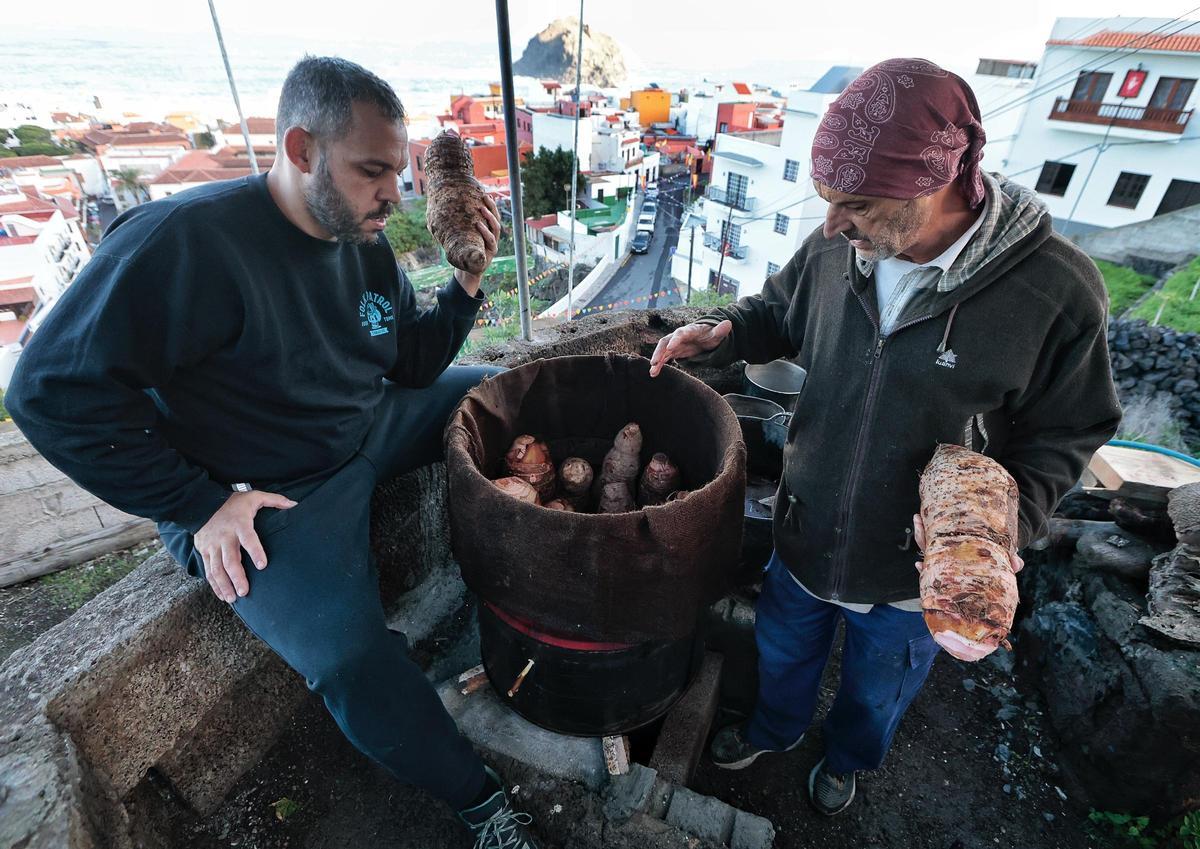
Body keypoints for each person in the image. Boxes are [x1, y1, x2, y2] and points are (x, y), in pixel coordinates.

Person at [7, 56, 540, 849]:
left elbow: (410, 363)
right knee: (350, 657)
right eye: (371, 171)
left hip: (367, 423)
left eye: (396, 172)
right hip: (265, 492)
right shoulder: (183, 244)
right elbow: (46, 391)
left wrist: (464, 291)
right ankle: (480, 801)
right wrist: (198, 505)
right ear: (300, 149)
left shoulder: (363, 241)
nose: (393, 195)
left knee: (508, 392)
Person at [649, 58, 1121, 816]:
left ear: (934, 183)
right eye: (829, 202)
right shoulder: (839, 246)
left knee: (879, 689)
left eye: (856, 205)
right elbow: (781, 311)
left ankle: (847, 760)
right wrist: (727, 332)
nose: (833, 224)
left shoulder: (1055, 292)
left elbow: (1070, 429)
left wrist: (1001, 528)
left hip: (913, 573)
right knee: (782, 651)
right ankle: (774, 729)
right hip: (806, 531)